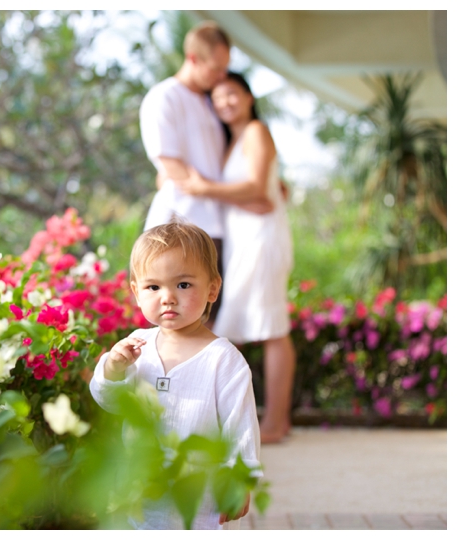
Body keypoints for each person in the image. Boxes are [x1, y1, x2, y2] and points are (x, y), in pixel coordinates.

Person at [89, 222, 261, 530]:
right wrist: (113, 369)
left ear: (212, 288)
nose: (167, 297)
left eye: (183, 285)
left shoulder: (223, 360)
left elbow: (241, 424)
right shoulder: (136, 347)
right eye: (153, 287)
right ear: (136, 292)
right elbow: (111, 401)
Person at [185, 71, 296, 444]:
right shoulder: (233, 141)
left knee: (272, 327)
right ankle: (257, 419)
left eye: (231, 94)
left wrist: (204, 188)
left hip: (262, 238)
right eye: (217, 98)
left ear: (248, 96)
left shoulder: (255, 132)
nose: (225, 103)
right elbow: (265, 189)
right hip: (244, 238)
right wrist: (261, 195)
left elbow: (255, 186)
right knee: (246, 324)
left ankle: (276, 423)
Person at [138, 21, 230, 324]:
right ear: (193, 58)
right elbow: (169, 164)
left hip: (216, 227)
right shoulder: (164, 97)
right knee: (173, 322)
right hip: (179, 225)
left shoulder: (210, 102)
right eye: (216, 68)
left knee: (208, 323)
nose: (222, 76)